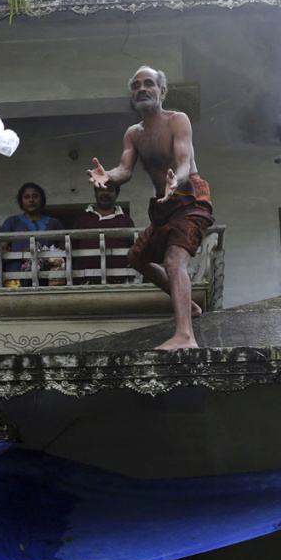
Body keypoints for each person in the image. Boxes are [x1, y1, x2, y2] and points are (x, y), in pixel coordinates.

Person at [88, 65, 214, 349]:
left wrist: (176, 181)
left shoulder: (177, 120)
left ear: (162, 91)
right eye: (136, 85)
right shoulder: (133, 133)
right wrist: (107, 176)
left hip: (190, 196)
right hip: (163, 204)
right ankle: (188, 306)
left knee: (173, 260)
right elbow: (124, 170)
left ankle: (185, 336)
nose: (141, 88)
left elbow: (184, 161)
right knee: (136, 258)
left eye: (148, 83)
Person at [0, 183, 64, 286]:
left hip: (48, 277)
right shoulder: (12, 222)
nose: (31, 200)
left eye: (35, 196)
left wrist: (50, 258)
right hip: (17, 278)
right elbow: (0, 250)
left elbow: (65, 250)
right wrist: (21, 254)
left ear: (42, 199)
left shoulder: (54, 223)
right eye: (26, 197)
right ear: (21, 201)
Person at [72, 183, 135, 284]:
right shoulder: (82, 218)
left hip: (120, 281)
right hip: (87, 281)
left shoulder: (125, 220)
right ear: (95, 193)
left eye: (110, 190)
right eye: (101, 189)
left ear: (117, 194)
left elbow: (134, 247)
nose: (105, 193)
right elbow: (73, 248)